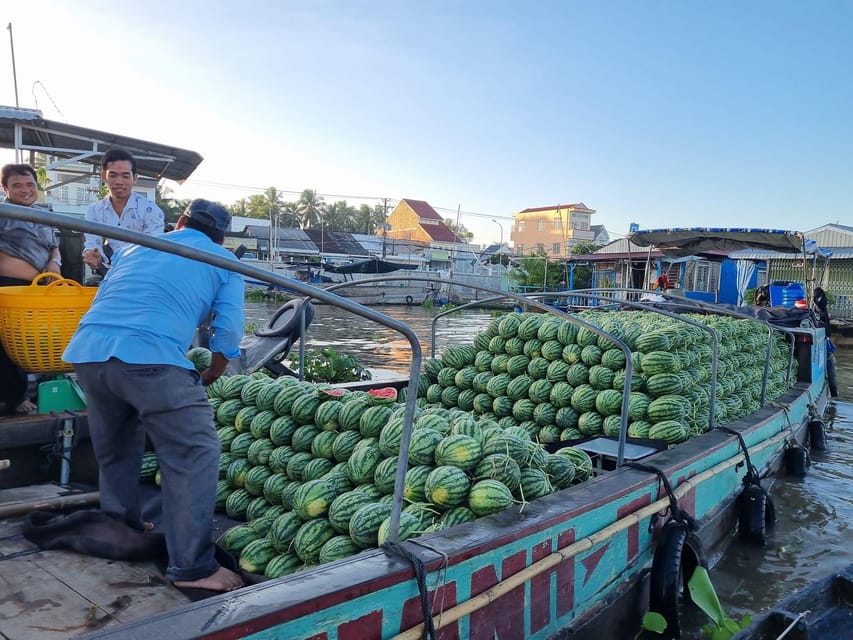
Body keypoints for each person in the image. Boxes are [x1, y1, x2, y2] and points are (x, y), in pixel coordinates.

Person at [64, 199, 244, 592]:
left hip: (89, 353)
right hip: (151, 358)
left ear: (179, 222)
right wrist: (215, 368)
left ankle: (120, 526)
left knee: (116, 445)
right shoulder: (225, 261)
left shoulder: (136, 245)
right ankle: (194, 568)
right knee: (194, 454)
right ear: (222, 237)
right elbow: (228, 331)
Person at [0, 163, 62, 414]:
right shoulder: (3, 214)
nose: (25, 190)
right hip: (9, 288)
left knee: (34, 344)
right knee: (6, 346)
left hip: (38, 290)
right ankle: (13, 399)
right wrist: (35, 273)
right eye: (17, 185)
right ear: (5, 188)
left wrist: (54, 264)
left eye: (30, 185)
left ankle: (35, 392)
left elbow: (53, 246)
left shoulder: (43, 215)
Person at [82, 148, 164, 274]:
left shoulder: (150, 210)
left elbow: (153, 250)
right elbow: (93, 243)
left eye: (125, 176)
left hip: (145, 273)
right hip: (112, 274)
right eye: (113, 175)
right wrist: (92, 255)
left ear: (135, 178)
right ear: (103, 176)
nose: (119, 182)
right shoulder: (94, 211)